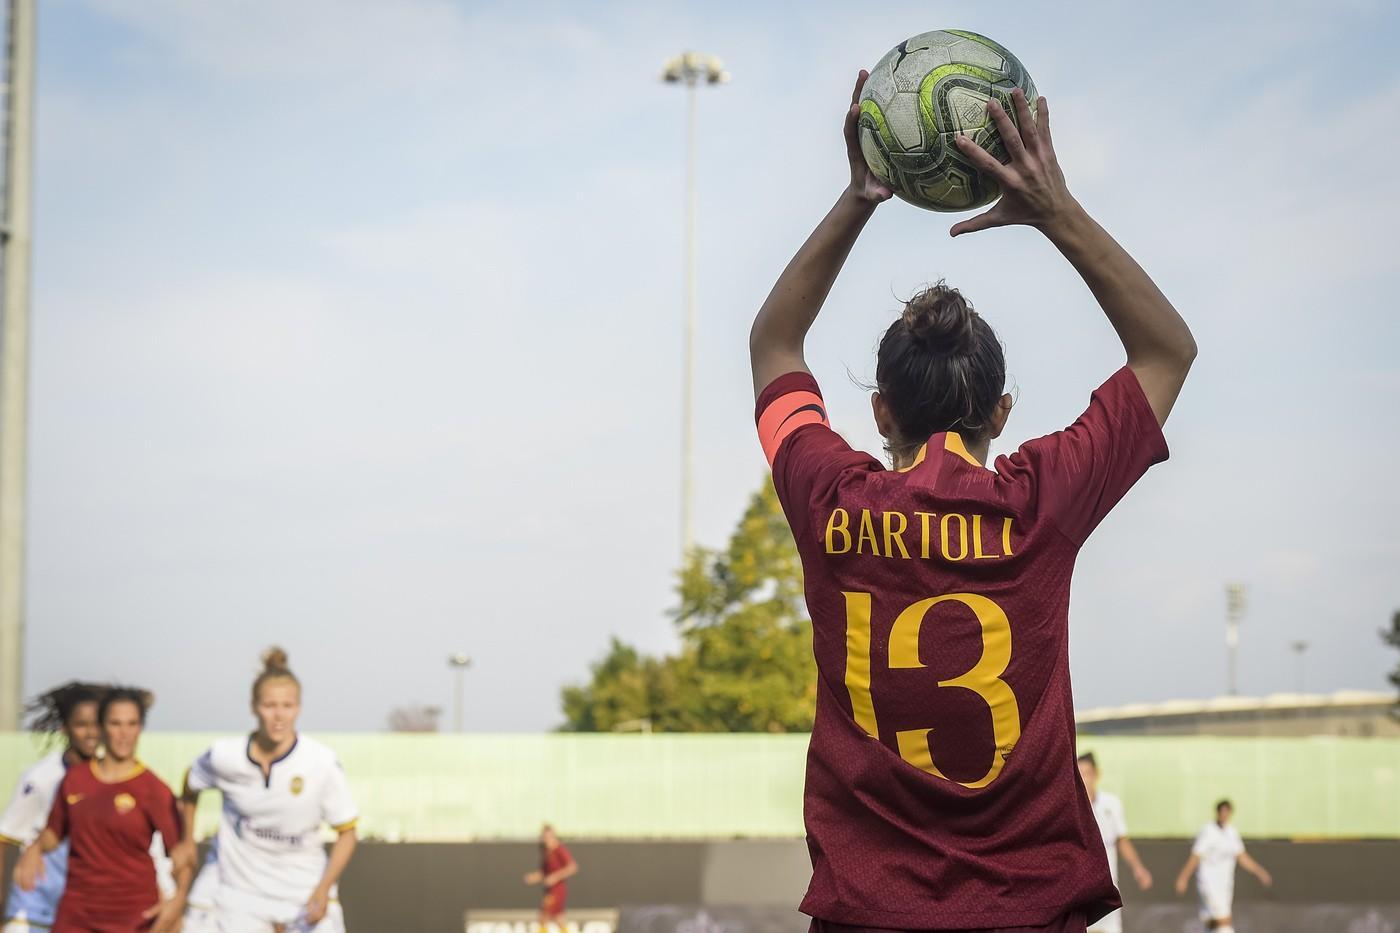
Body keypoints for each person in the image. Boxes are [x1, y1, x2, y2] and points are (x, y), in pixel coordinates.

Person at [748, 70, 1195, 930]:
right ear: (1001, 410)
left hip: (864, 916)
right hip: (1028, 913)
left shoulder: (828, 499)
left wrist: (860, 195)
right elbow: (1167, 350)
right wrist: (1054, 208)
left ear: (881, 410)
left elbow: (773, 339)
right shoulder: (1042, 503)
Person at [175, 647, 358, 932]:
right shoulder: (225, 755)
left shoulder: (321, 763)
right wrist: (187, 839)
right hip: (240, 895)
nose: (278, 716)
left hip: (305, 891)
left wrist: (324, 889)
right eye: (269, 705)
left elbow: (347, 833)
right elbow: (190, 784)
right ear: (253, 706)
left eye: (288, 706)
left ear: (299, 708)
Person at [13, 687, 189, 932]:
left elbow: (182, 854)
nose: (123, 734)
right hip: (77, 914)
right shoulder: (75, 779)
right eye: (115, 723)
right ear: (102, 727)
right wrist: (34, 848)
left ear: (140, 728)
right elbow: (54, 833)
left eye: (131, 724)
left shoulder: (154, 789)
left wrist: (177, 900)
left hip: (133, 916)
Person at [0, 683, 104, 932]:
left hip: (85, 912)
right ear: (64, 728)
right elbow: (7, 839)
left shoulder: (112, 777)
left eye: (97, 723)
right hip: (33, 909)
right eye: (81, 724)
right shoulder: (41, 778)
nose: (91, 733)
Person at [1077, 753, 1152, 933]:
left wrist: (1138, 868)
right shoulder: (1069, 807)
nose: (1083, 778)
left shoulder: (1112, 804)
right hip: (1080, 892)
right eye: (1079, 773)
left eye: (1086, 773)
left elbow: (1122, 840)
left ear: (1096, 775)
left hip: (1108, 890)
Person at [1173, 800, 1272, 932]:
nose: (1224, 815)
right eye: (1222, 812)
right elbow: (1195, 856)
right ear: (1217, 812)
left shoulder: (1232, 832)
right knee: (1224, 919)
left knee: (1211, 921)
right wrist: (1183, 877)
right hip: (1208, 883)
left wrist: (1259, 872)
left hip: (1224, 886)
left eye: (1227, 812)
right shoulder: (1208, 831)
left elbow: (1242, 856)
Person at [522, 824, 577, 926]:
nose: (547, 840)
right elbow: (545, 873)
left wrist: (555, 877)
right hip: (549, 890)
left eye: (549, 837)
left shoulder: (559, 849)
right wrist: (534, 877)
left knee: (543, 916)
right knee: (559, 919)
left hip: (557, 890)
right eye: (545, 837)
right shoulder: (546, 852)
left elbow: (572, 867)